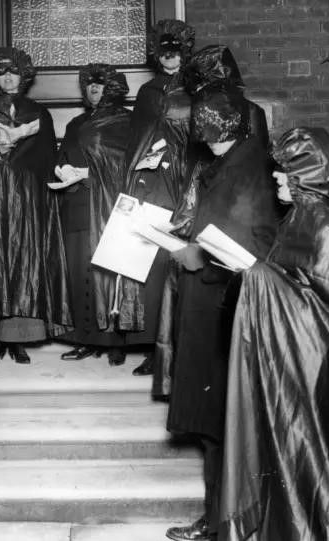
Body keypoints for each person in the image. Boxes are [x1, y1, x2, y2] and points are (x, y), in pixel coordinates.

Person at [218, 128, 329, 541]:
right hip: (287, 360)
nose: (276, 180)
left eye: (285, 174)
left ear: (307, 176)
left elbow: (327, 317)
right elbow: (291, 284)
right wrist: (259, 277)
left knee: (308, 459)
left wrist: (260, 278)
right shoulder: (298, 218)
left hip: (313, 371)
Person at [164, 88, 282, 541]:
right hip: (212, 307)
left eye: (206, 123)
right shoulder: (229, 164)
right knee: (215, 424)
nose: (201, 131)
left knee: (222, 421)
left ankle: (222, 522)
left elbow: (250, 247)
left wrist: (195, 256)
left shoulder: (248, 170)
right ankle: (217, 518)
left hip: (226, 311)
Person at [153, 44, 272, 398]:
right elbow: (198, 167)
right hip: (206, 208)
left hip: (229, 226)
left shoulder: (249, 116)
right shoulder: (208, 116)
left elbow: (251, 178)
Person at [0, 46, 73, 364]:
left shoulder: (39, 112)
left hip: (27, 198)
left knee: (25, 261)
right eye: (1, 72)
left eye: (13, 72)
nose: (8, 77)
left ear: (23, 76)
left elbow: (47, 160)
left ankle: (19, 338)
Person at [119, 19, 196, 373]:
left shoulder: (196, 88)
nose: (169, 59)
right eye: (163, 53)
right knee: (153, 261)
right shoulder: (148, 92)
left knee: (183, 261)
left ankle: (184, 347)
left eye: (175, 52)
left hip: (186, 183)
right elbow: (137, 140)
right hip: (153, 184)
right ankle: (156, 344)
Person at [56, 64, 131, 363]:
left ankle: (115, 342)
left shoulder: (126, 121)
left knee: (110, 273)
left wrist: (93, 174)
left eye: (100, 84)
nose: (94, 89)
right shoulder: (76, 124)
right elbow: (61, 156)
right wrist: (61, 169)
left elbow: (126, 163)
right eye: (89, 85)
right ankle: (85, 339)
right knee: (80, 272)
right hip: (78, 203)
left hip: (109, 205)